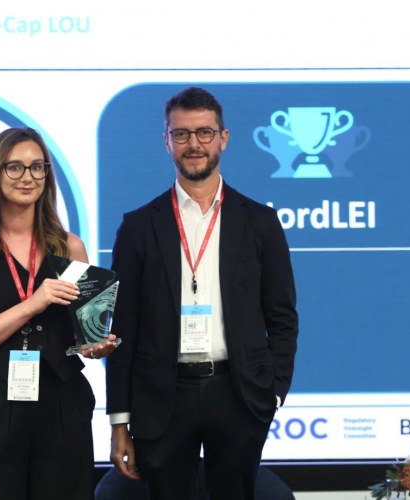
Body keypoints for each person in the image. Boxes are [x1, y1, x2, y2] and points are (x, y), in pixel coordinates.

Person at [106, 87, 299, 500]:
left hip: (238, 394)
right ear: (166, 141)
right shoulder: (138, 227)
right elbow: (122, 328)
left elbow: (282, 316)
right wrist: (119, 420)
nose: (193, 144)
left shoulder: (260, 222)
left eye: (204, 133)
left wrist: (274, 391)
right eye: (181, 134)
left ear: (223, 139)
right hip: (162, 397)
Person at [0, 127, 117, 499]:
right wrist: (33, 304)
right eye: (16, 167)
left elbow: (85, 337)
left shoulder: (70, 247)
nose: (28, 177)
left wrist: (96, 345)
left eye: (38, 167)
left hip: (62, 402)